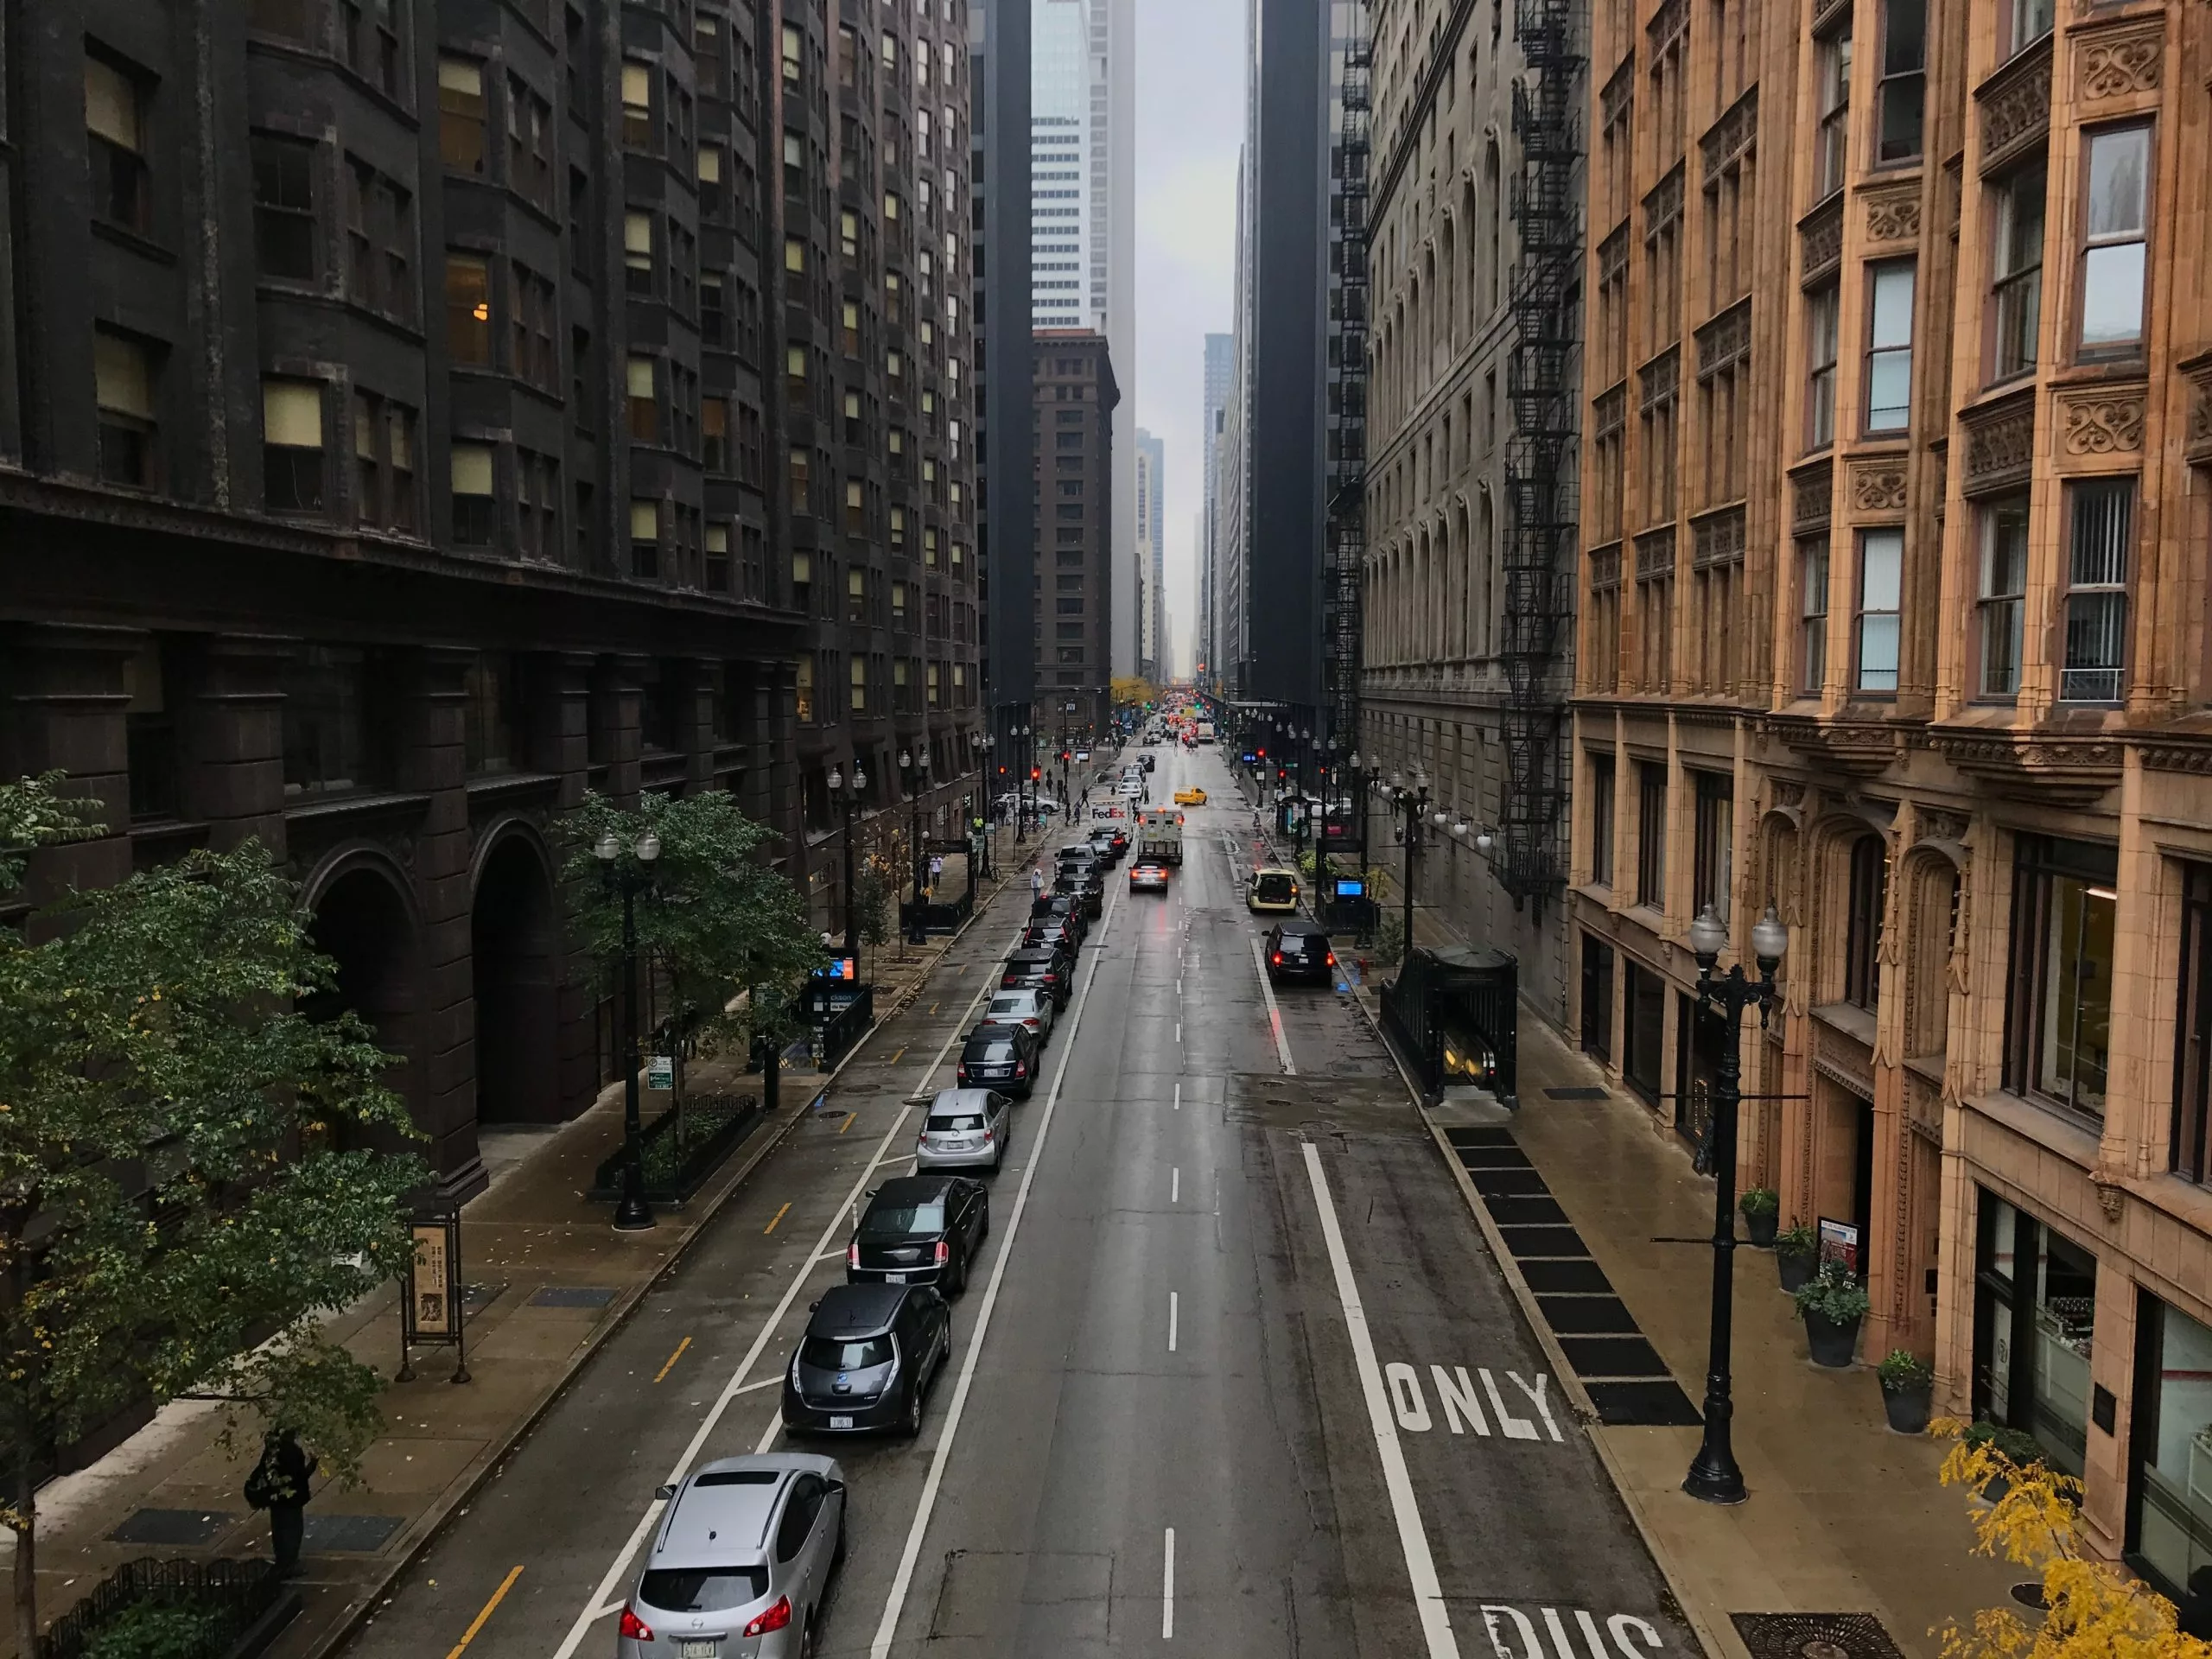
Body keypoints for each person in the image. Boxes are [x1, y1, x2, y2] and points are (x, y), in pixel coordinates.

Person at [245, 1429, 317, 1578]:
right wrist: (312, 1466)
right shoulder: (293, 1452)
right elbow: (298, 1477)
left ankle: (282, 1562)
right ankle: (289, 1564)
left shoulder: (272, 1451)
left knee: (279, 1531)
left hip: (276, 1499)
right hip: (291, 1500)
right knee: (293, 1532)